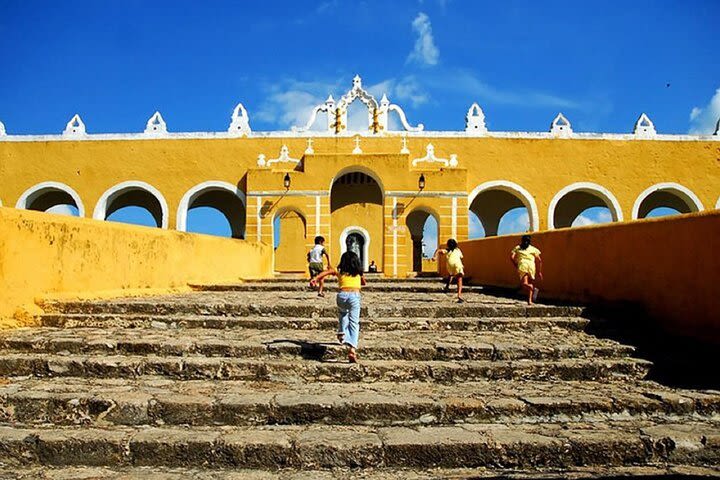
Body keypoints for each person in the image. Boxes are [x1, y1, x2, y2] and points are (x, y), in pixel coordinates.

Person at [310, 251, 366, 363]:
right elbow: (364, 283)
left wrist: (315, 279)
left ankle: (341, 332)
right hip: (354, 296)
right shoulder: (358, 272)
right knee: (354, 322)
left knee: (342, 313)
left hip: (342, 295)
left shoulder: (339, 270)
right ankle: (352, 349)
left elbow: (326, 272)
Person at [511, 234, 543, 305]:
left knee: (525, 284)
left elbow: (512, 257)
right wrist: (539, 272)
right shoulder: (533, 249)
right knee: (530, 282)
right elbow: (539, 260)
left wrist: (515, 264)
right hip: (531, 266)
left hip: (523, 265)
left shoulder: (518, 248)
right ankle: (530, 301)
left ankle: (531, 287)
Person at [433, 239, 465, 303]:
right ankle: (459, 295)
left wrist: (435, 257)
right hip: (458, 265)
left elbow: (438, 250)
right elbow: (461, 257)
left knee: (451, 275)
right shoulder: (458, 250)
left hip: (450, 266)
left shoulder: (447, 250)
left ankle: (447, 287)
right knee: (459, 279)